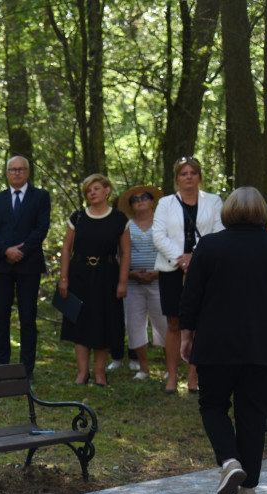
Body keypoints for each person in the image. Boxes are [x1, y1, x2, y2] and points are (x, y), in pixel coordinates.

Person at [180, 187, 267, 494]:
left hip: (216, 343)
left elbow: (191, 295)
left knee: (212, 405)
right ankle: (248, 487)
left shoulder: (209, 246)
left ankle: (229, 461)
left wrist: (186, 335)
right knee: (253, 413)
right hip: (264, 345)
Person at [153, 157, 223, 394]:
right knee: (173, 322)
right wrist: (180, 258)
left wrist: (195, 257)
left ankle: (194, 376)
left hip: (203, 269)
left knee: (199, 323)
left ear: (199, 176)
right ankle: (172, 376)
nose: (189, 177)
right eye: (184, 174)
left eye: (193, 172)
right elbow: (158, 235)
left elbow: (218, 232)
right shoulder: (165, 203)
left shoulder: (213, 201)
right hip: (172, 269)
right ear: (177, 179)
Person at [57, 174, 130, 386]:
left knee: (103, 324)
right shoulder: (78, 217)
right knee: (80, 324)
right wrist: (64, 278)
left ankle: (100, 373)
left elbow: (125, 253)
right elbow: (66, 248)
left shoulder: (119, 219)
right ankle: (82, 373)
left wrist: (122, 281)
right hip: (79, 275)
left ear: (107, 190)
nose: (93, 193)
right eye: (89, 191)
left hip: (107, 275)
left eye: (97, 188)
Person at [0, 156, 51, 378]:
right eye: (12, 169)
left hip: (29, 265)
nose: (16, 173)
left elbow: (42, 228)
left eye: (21, 169)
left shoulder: (41, 197)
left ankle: (26, 369)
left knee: (28, 319)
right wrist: (7, 251)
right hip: (2, 266)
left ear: (28, 172)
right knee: (1, 317)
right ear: (6, 173)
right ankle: (1, 367)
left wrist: (22, 251)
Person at [118, 185, 167, 381]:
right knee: (134, 324)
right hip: (132, 284)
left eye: (144, 197)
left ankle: (169, 368)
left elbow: (172, 250)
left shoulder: (164, 223)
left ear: (153, 201)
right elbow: (119, 253)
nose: (140, 200)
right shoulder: (126, 225)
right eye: (135, 199)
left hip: (161, 282)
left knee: (164, 324)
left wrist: (159, 273)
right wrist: (130, 274)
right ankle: (144, 368)